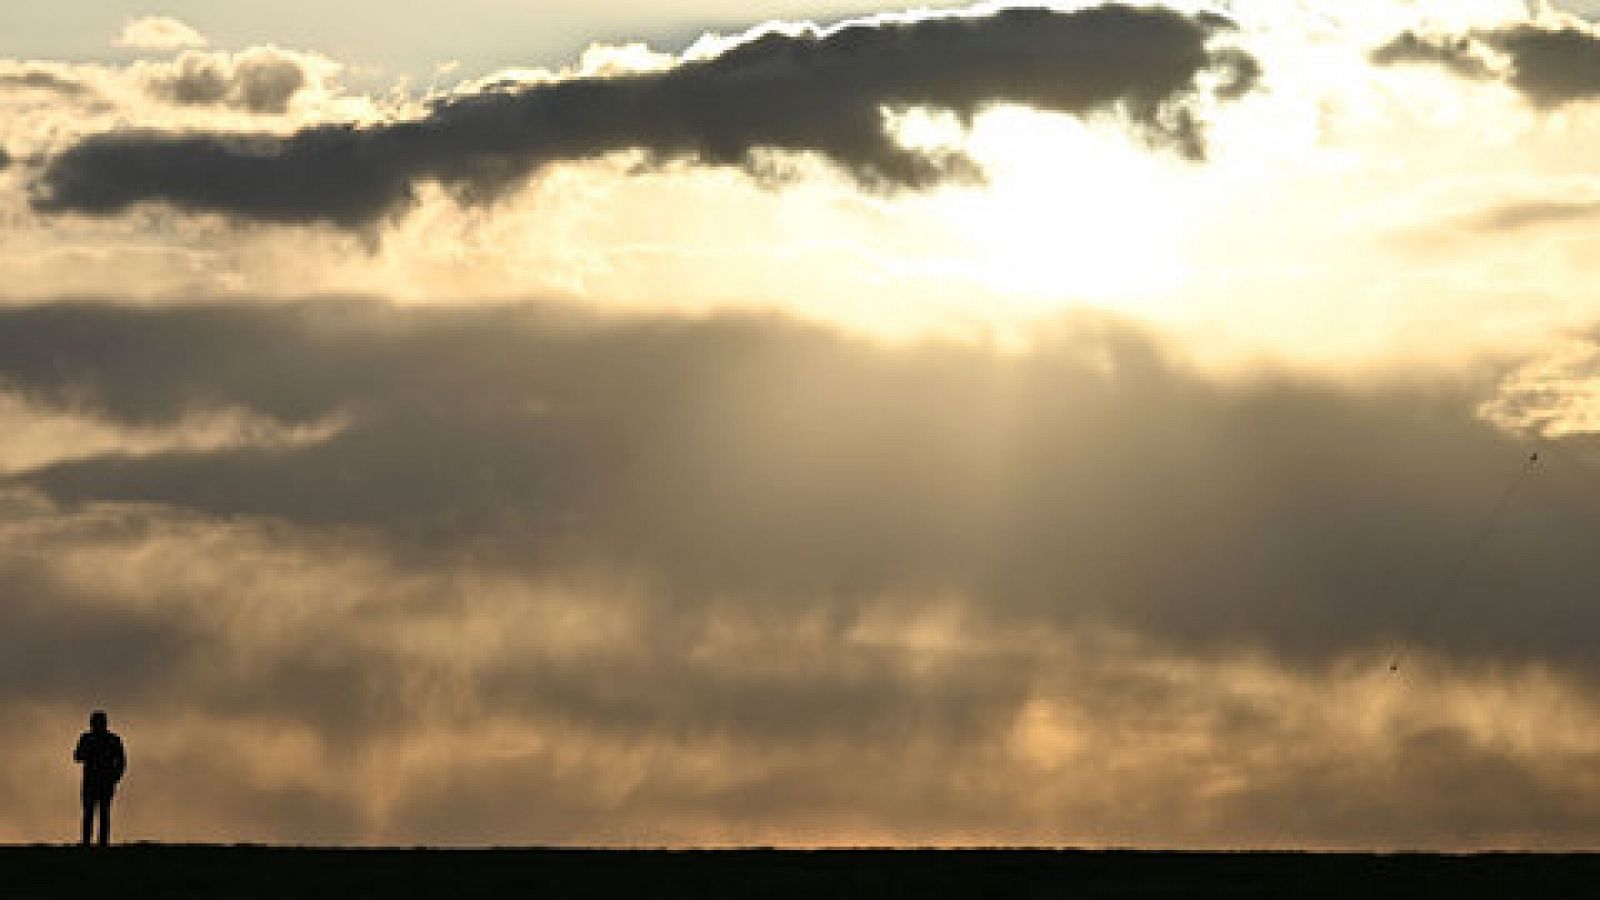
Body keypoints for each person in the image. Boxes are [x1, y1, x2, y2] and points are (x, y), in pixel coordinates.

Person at [73, 710, 126, 847]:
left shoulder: (92, 738)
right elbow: (78, 756)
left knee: (98, 812)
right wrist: (115, 777)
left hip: (99, 781)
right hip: (96, 781)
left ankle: (96, 842)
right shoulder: (111, 739)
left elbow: (121, 762)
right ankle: (93, 842)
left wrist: (115, 777)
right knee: (95, 812)